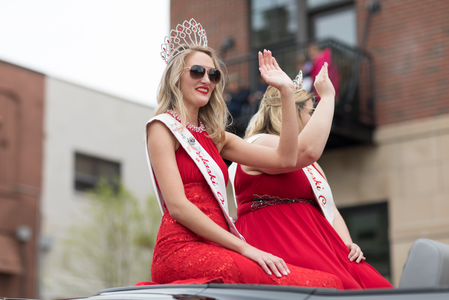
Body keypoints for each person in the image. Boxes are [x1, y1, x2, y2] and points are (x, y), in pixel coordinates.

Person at [142, 18, 343, 288]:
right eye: (197, 71)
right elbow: (178, 207)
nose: (206, 80)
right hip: (180, 250)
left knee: (328, 283)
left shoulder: (217, 137)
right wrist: (245, 248)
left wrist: (285, 91)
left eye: (213, 75)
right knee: (292, 284)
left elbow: (285, 159)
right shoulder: (162, 128)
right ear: (176, 74)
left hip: (220, 247)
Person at [231, 66, 393, 290]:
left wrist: (346, 242)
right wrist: (327, 96)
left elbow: (330, 207)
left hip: (320, 244)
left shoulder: (312, 166)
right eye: (310, 112)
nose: (313, 118)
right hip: (280, 242)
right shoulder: (259, 144)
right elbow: (305, 151)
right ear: (290, 113)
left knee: (375, 286)